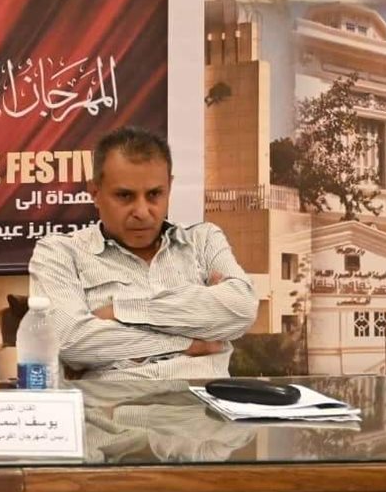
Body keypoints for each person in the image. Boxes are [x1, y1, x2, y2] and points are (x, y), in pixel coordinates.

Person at [27, 125, 258, 381]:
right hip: (115, 404)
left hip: (204, 399)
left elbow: (242, 309)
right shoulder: (59, 252)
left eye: (154, 194)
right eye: (125, 196)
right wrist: (188, 341)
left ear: (169, 187)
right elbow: (69, 342)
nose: (142, 211)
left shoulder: (203, 240)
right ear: (95, 193)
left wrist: (119, 311)